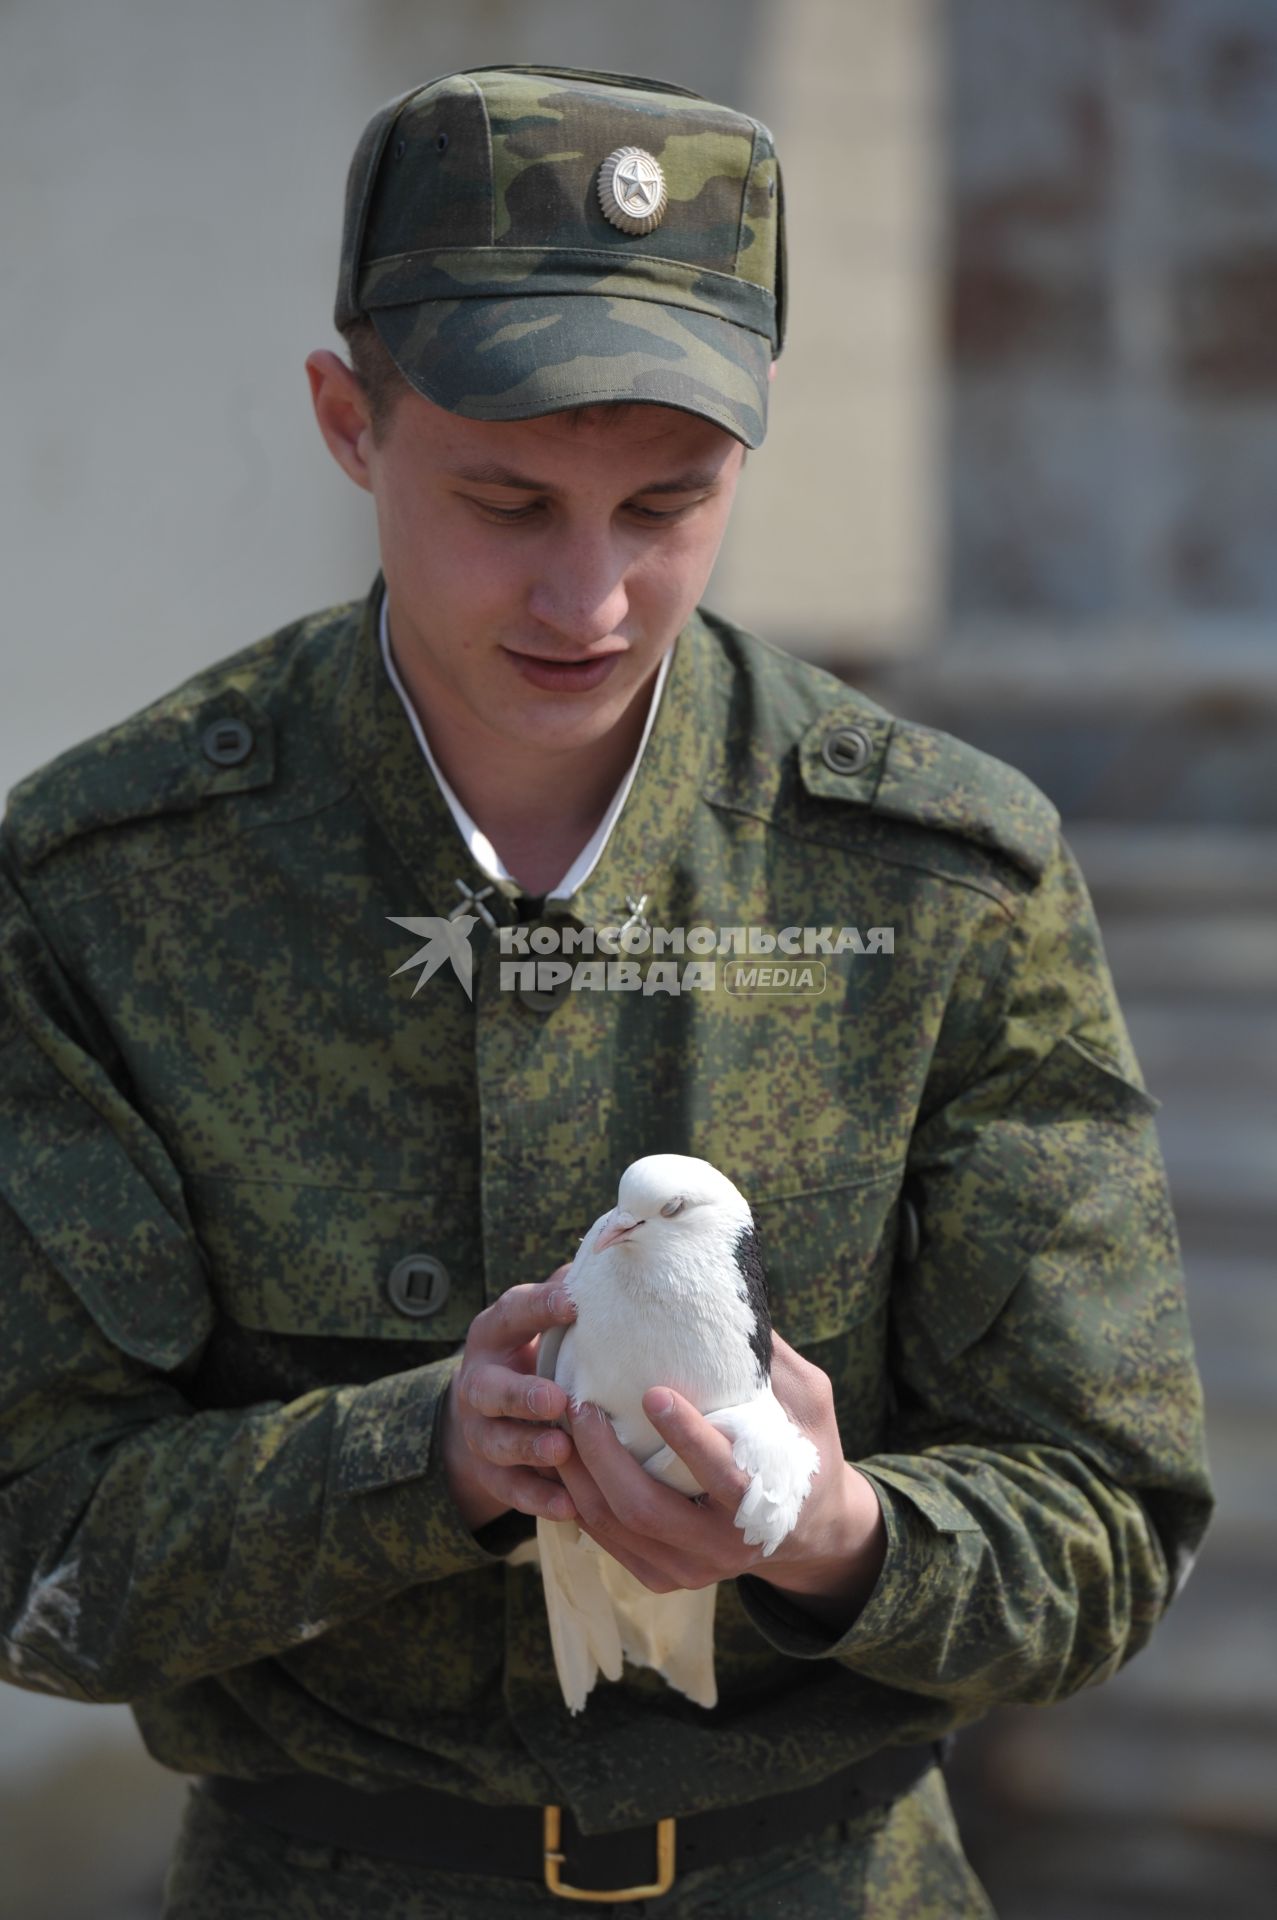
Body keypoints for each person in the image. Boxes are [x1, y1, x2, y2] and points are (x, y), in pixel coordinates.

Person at [0, 63, 1212, 1920]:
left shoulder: (941, 881)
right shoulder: (115, 890)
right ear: (348, 420)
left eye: (665, 504)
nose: (588, 595)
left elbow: (1110, 1525)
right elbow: (32, 1543)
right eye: (504, 498)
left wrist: (840, 1533)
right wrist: (420, 1459)